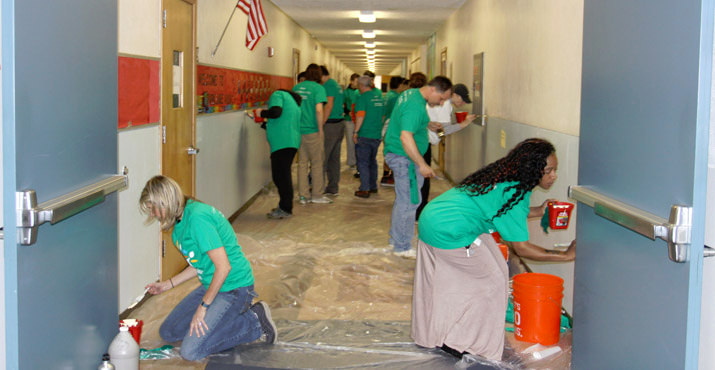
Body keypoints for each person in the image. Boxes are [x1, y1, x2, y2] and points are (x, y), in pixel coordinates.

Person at [412, 138, 576, 361]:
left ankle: (442, 333)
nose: (553, 176)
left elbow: (503, 209)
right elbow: (522, 248)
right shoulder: (515, 188)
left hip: (436, 219)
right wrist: (566, 255)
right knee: (492, 283)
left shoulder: (507, 176)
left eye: (555, 170)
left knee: (486, 272)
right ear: (532, 168)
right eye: (548, 171)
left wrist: (538, 211)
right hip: (451, 231)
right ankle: (461, 343)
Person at [140, 175, 277, 361]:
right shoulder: (181, 223)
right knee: (170, 331)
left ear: (164, 203)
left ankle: (254, 322)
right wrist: (167, 284)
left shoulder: (198, 219)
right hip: (212, 284)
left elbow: (223, 267)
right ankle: (216, 322)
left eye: (152, 209)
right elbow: (200, 265)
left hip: (233, 288)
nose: (152, 215)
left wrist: (203, 307)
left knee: (190, 352)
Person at [383, 76, 452, 257]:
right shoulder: (415, 105)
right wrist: (422, 164)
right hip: (404, 158)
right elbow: (406, 137)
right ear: (433, 90)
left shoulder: (411, 94)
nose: (441, 102)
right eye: (442, 98)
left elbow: (405, 119)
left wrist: (426, 123)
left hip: (399, 154)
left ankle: (397, 238)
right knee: (410, 201)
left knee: (404, 200)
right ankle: (402, 246)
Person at [416, 83, 477, 219]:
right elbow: (443, 130)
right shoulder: (445, 105)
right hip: (423, 143)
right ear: (454, 95)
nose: (462, 104)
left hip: (422, 140)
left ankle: (419, 209)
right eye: (461, 100)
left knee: (422, 179)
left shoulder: (442, 104)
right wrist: (463, 124)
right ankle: (418, 211)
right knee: (423, 179)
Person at [252, 88, 302, 219]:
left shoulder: (277, 94)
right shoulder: (291, 101)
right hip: (289, 142)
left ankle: (285, 209)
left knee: (281, 177)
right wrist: (263, 123)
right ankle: (284, 206)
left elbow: (276, 112)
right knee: (281, 176)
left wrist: (260, 112)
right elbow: (280, 122)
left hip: (283, 143)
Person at [292, 64, 332, 204]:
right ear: (319, 75)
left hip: (298, 130)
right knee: (316, 163)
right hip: (312, 131)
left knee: (302, 163)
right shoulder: (318, 88)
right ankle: (317, 195)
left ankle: (303, 196)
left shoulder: (297, 87)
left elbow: (293, 109)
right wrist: (320, 129)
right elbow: (319, 110)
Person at [353, 75, 385, 198]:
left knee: (363, 162)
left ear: (361, 86)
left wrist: (356, 131)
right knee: (372, 161)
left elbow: (360, 116)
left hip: (365, 134)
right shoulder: (379, 97)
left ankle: (364, 188)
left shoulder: (362, 98)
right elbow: (383, 116)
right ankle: (373, 186)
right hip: (376, 134)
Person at [320, 65, 346, 196]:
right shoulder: (335, 84)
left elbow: (329, 105)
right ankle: (333, 187)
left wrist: (321, 123)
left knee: (323, 157)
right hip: (339, 124)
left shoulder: (328, 86)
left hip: (330, 125)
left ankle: (318, 188)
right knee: (334, 158)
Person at [380, 76, 408, 187]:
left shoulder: (388, 95)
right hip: (392, 127)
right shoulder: (398, 97)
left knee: (388, 150)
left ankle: (386, 175)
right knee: (393, 152)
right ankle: (389, 177)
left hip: (385, 126)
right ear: (400, 85)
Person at [343, 73, 360, 169]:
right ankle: (351, 161)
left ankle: (358, 159)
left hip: (359, 119)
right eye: (356, 81)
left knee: (358, 140)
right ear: (351, 81)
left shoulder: (360, 91)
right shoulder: (346, 92)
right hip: (349, 119)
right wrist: (347, 111)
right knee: (350, 141)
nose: (358, 83)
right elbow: (342, 104)